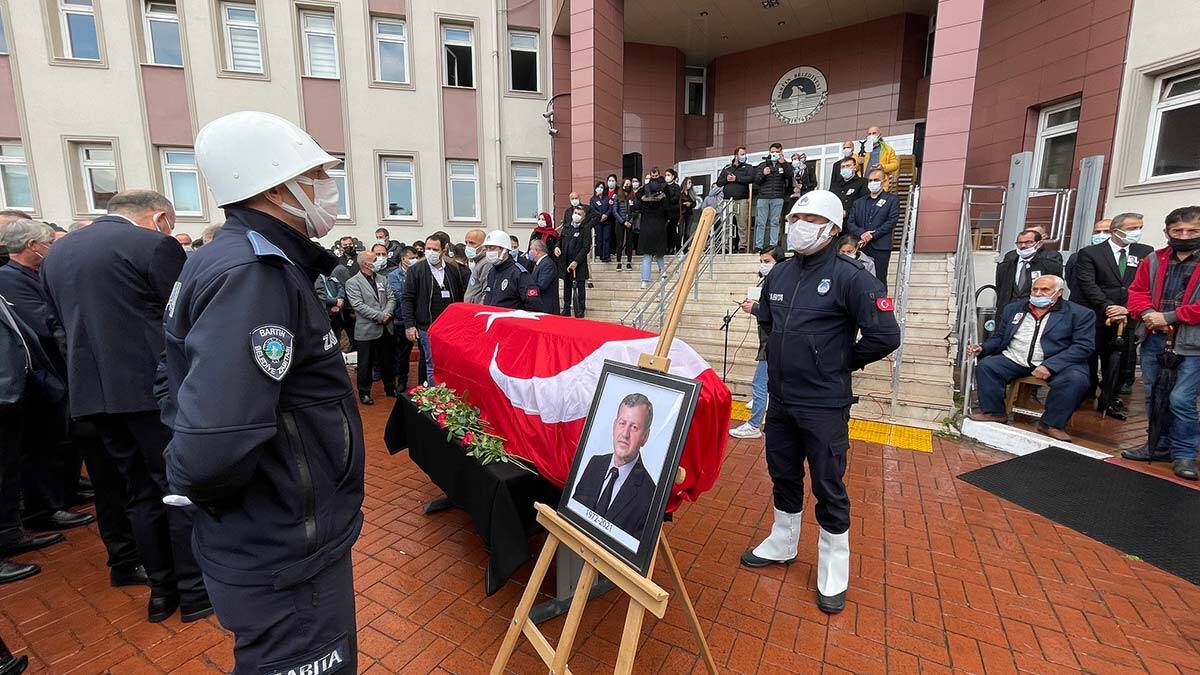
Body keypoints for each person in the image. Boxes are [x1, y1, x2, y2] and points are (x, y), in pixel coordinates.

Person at [161, 111, 365, 671]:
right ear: (278, 188)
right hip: (284, 545)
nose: (328, 188)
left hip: (271, 535)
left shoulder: (230, 258)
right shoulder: (255, 273)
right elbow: (213, 443)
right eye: (317, 175)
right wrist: (248, 507)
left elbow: (174, 383)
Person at [40, 189, 210, 624]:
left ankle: (160, 591)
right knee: (176, 488)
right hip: (152, 392)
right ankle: (193, 593)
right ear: (159, 217)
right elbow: (184, 318)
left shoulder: (57, 253)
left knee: (136, 491)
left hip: (93, 394)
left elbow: (56, 323)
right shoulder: (154, 245)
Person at [740, 190, 900, 616]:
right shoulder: (781, 274)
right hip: (782, 399)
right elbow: (768, 321)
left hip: (824, 403)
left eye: (809, 219)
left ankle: (833, 565)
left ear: (831, 229)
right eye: (795, 217)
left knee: (829, 483)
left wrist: (839, 361)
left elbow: (886, 335)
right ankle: (782, 541)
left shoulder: (853, 277)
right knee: (782, 473)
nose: (798, 225)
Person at [0, 219, 97, 533]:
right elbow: (45, 321)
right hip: (38, 376)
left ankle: (60, 496)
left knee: (60, 441)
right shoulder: (9, 279)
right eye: (50, 245)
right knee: (41, 447)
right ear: (32, 246)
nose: (52, 251)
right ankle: (43, 508)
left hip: (54, 372)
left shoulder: (34, 274)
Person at [966, 275, 1094, 441]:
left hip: (1056, 361)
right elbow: (1000, 337)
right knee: (987, 366)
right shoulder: (1015, 309)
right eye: (1035, 289)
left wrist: (1050, 366)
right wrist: (982, 347)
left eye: (1045, 290)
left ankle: (1051, 424)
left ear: (1059, 292)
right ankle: (994, 412)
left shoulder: (1079, 314)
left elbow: (1083, 346)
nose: (1038, 293)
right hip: (1016, 358)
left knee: (1075, 379)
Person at [1124, 206, 1200, 480]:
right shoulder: (1154, 260)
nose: (1184, 235)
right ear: (1166, 232)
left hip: (1193, 345)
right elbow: (1137, 292)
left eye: (1192, 231)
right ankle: (1157, 445)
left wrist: (1170, 316)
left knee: (1181, 399)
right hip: (1156, 338)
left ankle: (1185, 454)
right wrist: (1148, 315)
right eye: (1177, 230)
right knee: (1155, 396)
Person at [1071, 213, 1152, 419]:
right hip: (1096, 315)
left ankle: (1110, 398)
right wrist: (1109, 306)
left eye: (1139, 227)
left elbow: (1143, 285)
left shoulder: (1146, 253)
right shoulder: (1091, 253)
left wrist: (1126, 308)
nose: (1137, 232)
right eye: (1132, 228)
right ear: (1117, 230)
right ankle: (1084, 393)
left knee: (1118, 359)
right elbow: (1088, 284)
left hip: (1127, 316)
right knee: (1089, 355)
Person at [570, 393, 657, 540]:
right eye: (622, 423)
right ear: (614, 425)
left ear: (645, 437)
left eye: (634, 427)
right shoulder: (594, 464)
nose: (625, 434)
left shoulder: (649, 494)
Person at [730, 246, 786, 440]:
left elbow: (777, 313)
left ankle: (754, 424)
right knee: (767, 383)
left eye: (767, 261)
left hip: (773, 341)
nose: (763, 265)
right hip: (769, 339)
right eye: (761, 261)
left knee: (760, 383)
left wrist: (755, 308)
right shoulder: (769, 280)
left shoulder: (781, 283)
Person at [401, 232, 468, 385]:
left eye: (434, 249)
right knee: (431, 364)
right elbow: (407, 299)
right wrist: (409, 325)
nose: (430, 252)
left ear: (444, 250)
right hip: (427, 326)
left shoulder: (452, 270)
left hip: (449, 328)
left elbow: (459, 296)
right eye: (428, 248)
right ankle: (433, 397)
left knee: (449, 363)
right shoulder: (416, 270)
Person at [346, 252, 396, 405]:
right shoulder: (353, 282)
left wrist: (387, 313)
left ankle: (390, 387)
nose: (378, 261)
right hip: (367, 329)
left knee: (388, 360)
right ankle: (364, 392)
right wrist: (380, 316)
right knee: (365, 364)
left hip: (386, 328)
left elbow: (391, 298)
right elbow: (358, 305)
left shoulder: (382, 279)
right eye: (374, 259)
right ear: (365, 264)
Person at [846, 168, 899, 291]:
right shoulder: (858, 202)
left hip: (880, 247)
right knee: (858, 277)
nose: (873, 183)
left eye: (876, 180)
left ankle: (880, 307)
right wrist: (862, 234)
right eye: (870, 180)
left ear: (883, 181)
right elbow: (851, 222)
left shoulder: (892, 200)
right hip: (861, 245)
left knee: (879, 278)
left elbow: (891, 221)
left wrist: (872, 235)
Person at [994, 229, 1064, 310]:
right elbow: (1000, 290)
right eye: (1020, 243)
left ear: (1039, 244)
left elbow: (1055, 290)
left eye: (1028, 242)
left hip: (1036, 310)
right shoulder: (1006, 265)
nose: (1023, 246)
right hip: (1010, 310)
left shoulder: (1049, 265)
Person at [479, 230, 540, 310]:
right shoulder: (492, 272)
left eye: (492, 248)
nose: (488, 252)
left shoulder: (518, 273)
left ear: (504, 250)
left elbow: (534, 306)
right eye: (486, 248)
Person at [387, 246, 418, 389]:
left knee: (406, 353)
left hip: (415, 318)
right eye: (411, 258)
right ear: (403, 258)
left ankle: (403, 380)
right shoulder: (394, 275)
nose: (414, 260)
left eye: (415, 257)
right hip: (399, 319)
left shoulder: (418, 272)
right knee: (398, 353)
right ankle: (397, 380)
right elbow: (399, 295)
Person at [753, 143, 794, 250]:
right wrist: (763, 174)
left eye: (777, 152)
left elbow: (790, 175)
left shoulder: (784, 165)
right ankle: (758, 246)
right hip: (763, 197)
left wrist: (784, 163)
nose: (774, 154)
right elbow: (756, 181)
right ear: (769, 152)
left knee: (775, 222)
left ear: (781, 152)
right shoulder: (763, 165)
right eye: (772, 152)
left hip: (778, 197)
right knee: (761, 223)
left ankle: (773, 245)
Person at [716, 147, 754, 253]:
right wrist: (726, 179)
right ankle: (727, 246)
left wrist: (736, 179)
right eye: (742, 154)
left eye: (745, 154)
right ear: (736, 155)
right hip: (728, 200)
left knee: (742, 223)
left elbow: (751, 178)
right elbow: (719, 182)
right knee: (727, 224)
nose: (744, 156)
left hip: (742, 199)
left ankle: (743, 245)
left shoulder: (748, 167)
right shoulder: (727, 167)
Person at [637, 175, 671, 290]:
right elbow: (668, 214)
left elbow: (637, 200)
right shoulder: (663, 199)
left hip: (647, 229)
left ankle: (645, 281)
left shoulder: (643, 201)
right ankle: (663, 273)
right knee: (659, 253)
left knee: (647, 256)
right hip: (659, 228)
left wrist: (644, 187)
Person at [560, 204, 592, 318]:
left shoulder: (585, 229)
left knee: (580, 287)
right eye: (575, 213)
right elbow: (560, 240)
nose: (576, 216)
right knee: (567, 286)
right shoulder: (567, 227)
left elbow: (586, 247)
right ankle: (566, 308)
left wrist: (576, 261)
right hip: (566, 262)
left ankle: (580, 309)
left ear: (583, 217)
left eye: (579, 214)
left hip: (579, 264)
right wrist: (557, 247)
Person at [855, 126, 899, 191]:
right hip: (863, 183)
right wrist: (858, 163)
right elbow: (853, 167)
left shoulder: (887, 149)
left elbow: (895, 165)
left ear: (879, 135)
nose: (871, 136)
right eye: (869, 134)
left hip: (880, 184)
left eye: (874, 133)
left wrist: (883, 167)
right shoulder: (861, 149)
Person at [527, 239, 559, 313]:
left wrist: (527, 289)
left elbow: (542, 285)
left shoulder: (547, 264)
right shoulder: (539, 264)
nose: (530, 252)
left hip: (547, 307)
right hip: (541, 306)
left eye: (531, 249)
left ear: (537, 250)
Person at [612, 179, 637, 271]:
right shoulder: (617, 196)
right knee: (619, 243)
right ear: (622, 185)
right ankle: (618, 262)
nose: (628, 186)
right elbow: (615, 211)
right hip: (620, 222)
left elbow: (635, 210)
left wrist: (630, 221)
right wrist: (623, 221)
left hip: (630, 222)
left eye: (629, 185)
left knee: (630, 243)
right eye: (627, 184)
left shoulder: (633, 196)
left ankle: (629, 262)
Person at [463, 228, 491, 303]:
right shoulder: (477, 261)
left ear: (483, 245)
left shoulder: (486, 263)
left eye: (472, 243)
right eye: (466, 242)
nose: (468, 246)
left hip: (477, 310)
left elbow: (486, 292)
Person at [589, 181, 614, 264]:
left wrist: (606, 215)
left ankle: (606, 256)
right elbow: (592, 210)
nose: (600, 189)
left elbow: (611, 208)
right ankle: (599, 254)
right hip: (598, 222)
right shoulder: (593, 199)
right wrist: (600, 216)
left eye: (602, 187)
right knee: (599, 239)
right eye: (599, 187)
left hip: (607, 221)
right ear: (596, 188)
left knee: (606, 238)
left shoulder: (607, 198)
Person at [663, 168, 682, 253]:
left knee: (672, 230)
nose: (667, 177)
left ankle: (672, 247)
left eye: (668, 175)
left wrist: (668, 199)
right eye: (666, 175)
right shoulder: (663, 186)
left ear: (673, 176)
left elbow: (676, 198)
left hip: (674, 212)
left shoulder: (676, 187)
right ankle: (666, 247)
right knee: (665, 230)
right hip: (664, 212)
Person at [678, 177, 697, 247]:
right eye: (689, 182)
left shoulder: (691, 193)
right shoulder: (680, 192)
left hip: (689, 214)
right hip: (681, 214)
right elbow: (678, 202)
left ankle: (685, 248)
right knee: (680, 232)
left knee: (687, 232)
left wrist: (690, 204)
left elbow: (695, 203)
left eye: (691, 183)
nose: (690, 184)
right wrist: (683, 204)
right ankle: (678, 248)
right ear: (685, 183)